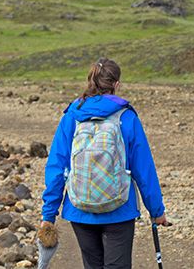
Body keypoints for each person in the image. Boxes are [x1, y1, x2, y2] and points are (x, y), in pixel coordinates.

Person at [41, 58, 169, 269]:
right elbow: (144, 169)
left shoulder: (72, 116)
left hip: (79, 207)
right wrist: (156, 211)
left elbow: (57, 167)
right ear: (116, 84)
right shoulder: (126, 117)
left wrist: (49, 214)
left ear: (90, 81)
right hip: (120, 209)